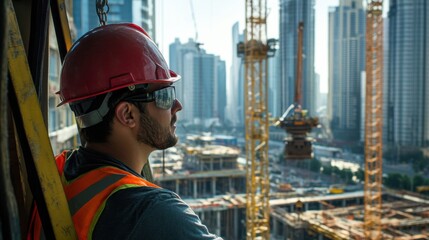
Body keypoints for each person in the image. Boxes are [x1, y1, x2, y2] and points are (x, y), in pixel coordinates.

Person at [28, 23, 222, 240]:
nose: (177, 106)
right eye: (165, 96)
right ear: (127, 114)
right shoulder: (152, 212)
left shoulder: (59, 171)